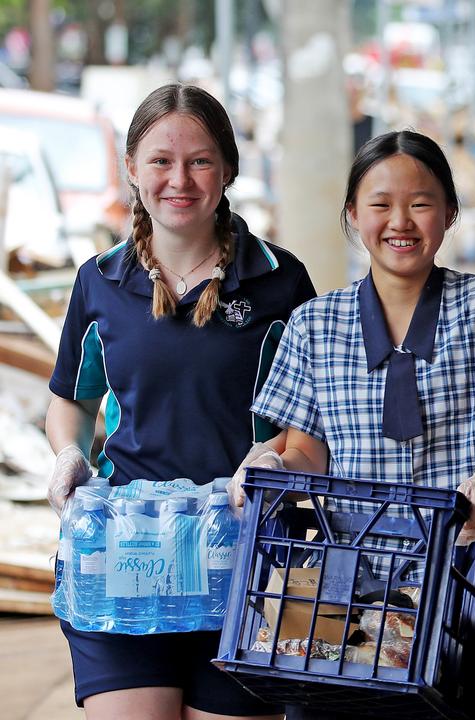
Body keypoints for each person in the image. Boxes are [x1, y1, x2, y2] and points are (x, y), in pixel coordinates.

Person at [246, 129, 475, 720]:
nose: (401, 222)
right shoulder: (315, 324)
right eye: (380, 204)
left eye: (420, 203)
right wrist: (275, 465)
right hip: (343, 588)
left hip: (466, 580)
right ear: (352, 216)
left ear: (450, 213)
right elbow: (310, 453)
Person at [44, 83, 316, 720]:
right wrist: (67, 455)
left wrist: (275, 457)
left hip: (247, 558)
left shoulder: (282, 281)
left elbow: (314, 415)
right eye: (161, 161)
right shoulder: (100, 282)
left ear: (228, 169)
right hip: (123, 558)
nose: (180, 180)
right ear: (133, 169)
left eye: (198, 161)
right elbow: (71, 401)